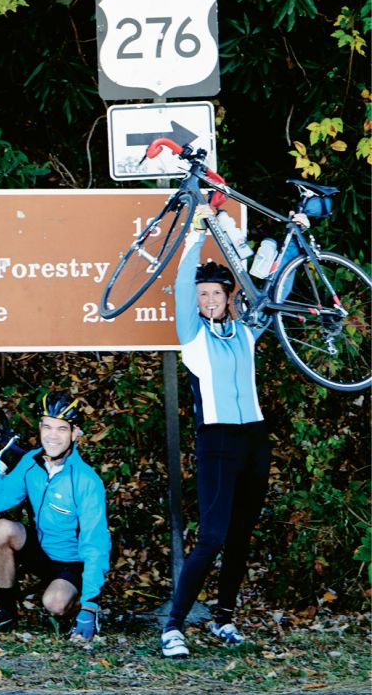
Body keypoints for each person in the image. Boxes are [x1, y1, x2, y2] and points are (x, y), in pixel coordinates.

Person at [160, 202, 272, 659]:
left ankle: (225, 619)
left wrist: (295, 233)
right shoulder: (193, 336)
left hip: (255, 439)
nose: (208, 300)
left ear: (229, 297)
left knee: (242, 534)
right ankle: (174, 626)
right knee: (212, 536)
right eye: (203, 294)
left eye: (216, 294)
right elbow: (182, 286)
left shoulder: (245, 332)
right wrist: (195, 235)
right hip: (218, 441)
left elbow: (268, 288)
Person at [0, 391, 110, 644]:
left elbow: (96, 544)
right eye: (47, 427)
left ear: (75, 433)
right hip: (41, 551)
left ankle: (81, 603)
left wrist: (90, 605)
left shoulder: (86, 480)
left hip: (72, 562)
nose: (52, 435)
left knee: (55, 605)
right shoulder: (31, 462)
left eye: (61, 429)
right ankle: (6, 610)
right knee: (1, 529)